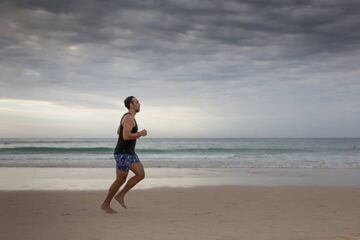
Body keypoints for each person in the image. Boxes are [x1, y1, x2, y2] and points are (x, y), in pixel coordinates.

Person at [101, 96, 147, 213]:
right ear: (131, 105)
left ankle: (120, 195)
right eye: (136, 102)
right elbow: (126, 136)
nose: (139, 103)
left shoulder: (128, 117)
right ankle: (105, 204)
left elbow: (119, 131)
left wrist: (131, 132)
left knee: (140, 174)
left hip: (130, 153)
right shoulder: (128, 118)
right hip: (122, 154)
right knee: (120, 180)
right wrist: (140, 133)